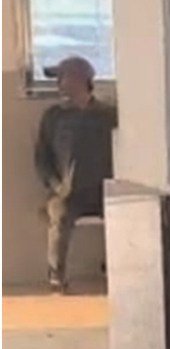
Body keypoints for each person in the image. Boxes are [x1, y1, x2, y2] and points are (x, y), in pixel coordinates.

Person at [33, 56, 116, 293]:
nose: (58, 83)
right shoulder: (53, 117)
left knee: (127, 213)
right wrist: (55, 186)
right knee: (59, 216)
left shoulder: (108, 115)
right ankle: (56, 276)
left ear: (79, 80)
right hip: (68, 193)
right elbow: (42, 157)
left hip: (105, 190)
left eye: (62, 77)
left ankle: (116, 267)